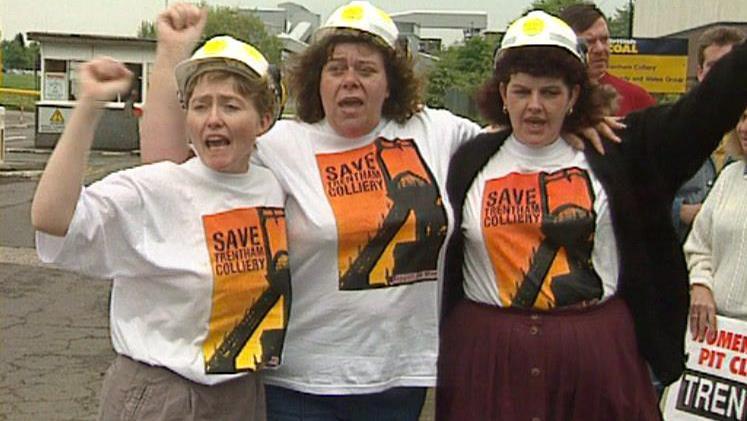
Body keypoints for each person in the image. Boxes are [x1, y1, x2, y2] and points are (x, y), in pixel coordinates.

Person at [140, 3, 616, 419]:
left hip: (401, 378)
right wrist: (169, 54)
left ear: (390, 82)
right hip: (302, 381)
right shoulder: (281, 145)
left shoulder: (439, 135)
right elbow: (169, 175)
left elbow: (526, 142)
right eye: (336, 68)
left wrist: (580, 126)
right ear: (316, 79)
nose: (350, 80)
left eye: (366, 69)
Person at [437, 10, 747, 420]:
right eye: (521, 91)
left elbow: (709, 106)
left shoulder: (617, 149)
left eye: (550, 92)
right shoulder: (468, 159)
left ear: (575, 96)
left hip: (596, 359)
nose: (534, 106)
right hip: (489, 358)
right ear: (502, 93)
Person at [31, 33, 288, 420]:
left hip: (241, 394)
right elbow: (51, 219)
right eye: (201, 106)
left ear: (264, 120)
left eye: (231, 106)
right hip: (162, 396)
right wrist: (87, 107)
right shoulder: (158, 189)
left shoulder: (273, 185)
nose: (213, 118)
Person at [672, 26, 746, 243]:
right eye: (714, 66)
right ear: (700, 72)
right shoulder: (669, 130)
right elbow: (635, 193)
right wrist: (681, 211)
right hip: (677, 258)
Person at [685, 106, 747, 342]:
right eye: (742, 118)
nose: (743, 128)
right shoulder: (729, 177)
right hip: (716, 333)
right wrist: (700, 285)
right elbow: (700, 245)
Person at [560, 2, 656, 116]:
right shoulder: (551, 96)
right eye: (589, 41)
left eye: (604, 39)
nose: (600, 49)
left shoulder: (637, 98)